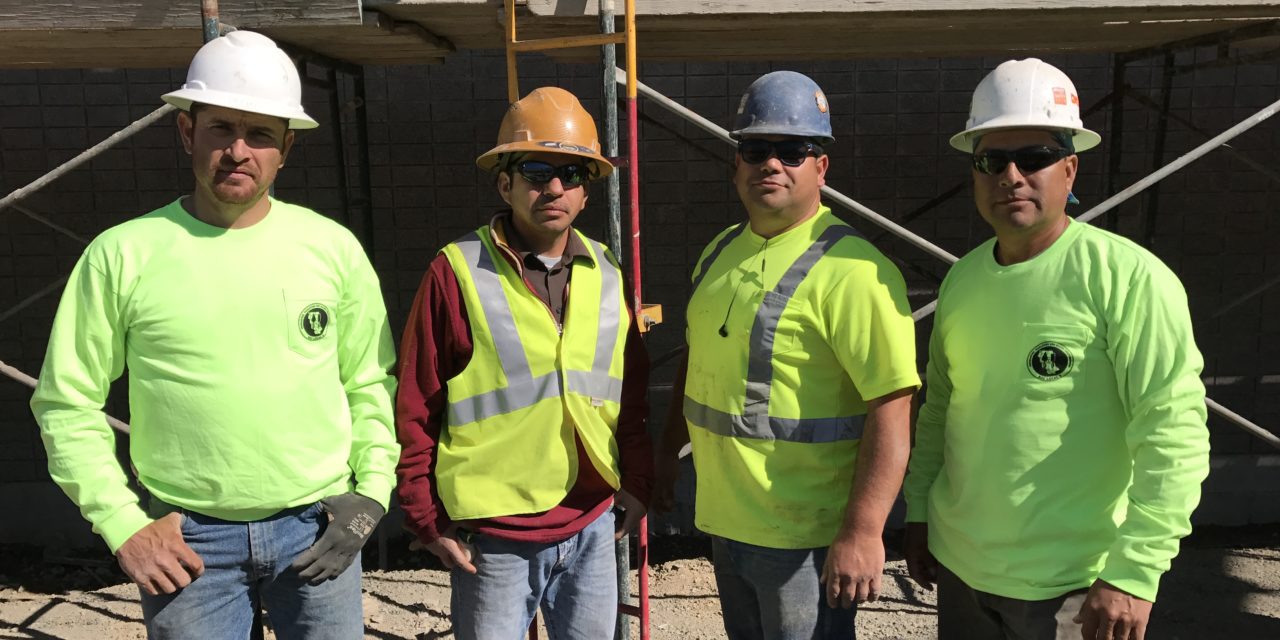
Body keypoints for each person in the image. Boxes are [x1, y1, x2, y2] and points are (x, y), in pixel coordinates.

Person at [30, 31, 398, 639]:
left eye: (260, 135)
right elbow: (66, 402)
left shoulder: (331, 250)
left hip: (319, 524)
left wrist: (373, 494)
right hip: (188, 542)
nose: (238, 151)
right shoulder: (123, 255)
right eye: (221, 128)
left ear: (287, 149)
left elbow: (368, 381)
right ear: (186, 133)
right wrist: (123, 524)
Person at [902, 58, 1211, 640]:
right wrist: (920, 511)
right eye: (991, 161)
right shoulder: (962, 281)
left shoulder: (1128, 279)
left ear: (1070, 170)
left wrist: (1135, 572)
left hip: (1076, 587)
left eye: (1035, 159)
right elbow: (941, 409)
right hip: (964, 572)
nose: (1011, 175)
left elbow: (1173, 431)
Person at [653, 70, 920, 640]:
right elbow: (695, 366)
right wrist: (663, 459)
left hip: (807, 540)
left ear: (820, 166)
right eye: (755, 148)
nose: (770, 163)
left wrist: (864, 531)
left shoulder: (855, 272)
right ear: (736, 162)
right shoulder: (720, 250)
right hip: (725, 523)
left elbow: (893, 409)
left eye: (793, 150)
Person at [395, 86, 653, 640]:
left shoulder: (605, 271)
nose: (554, 187)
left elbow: (627, 394)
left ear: (587, 192)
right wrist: (424, 516)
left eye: (572, 174)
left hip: (592, 520)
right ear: (505, 183)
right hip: (496, 537)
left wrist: (638, 481)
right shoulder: (457, 271)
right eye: (537, 170)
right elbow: (417, 401)